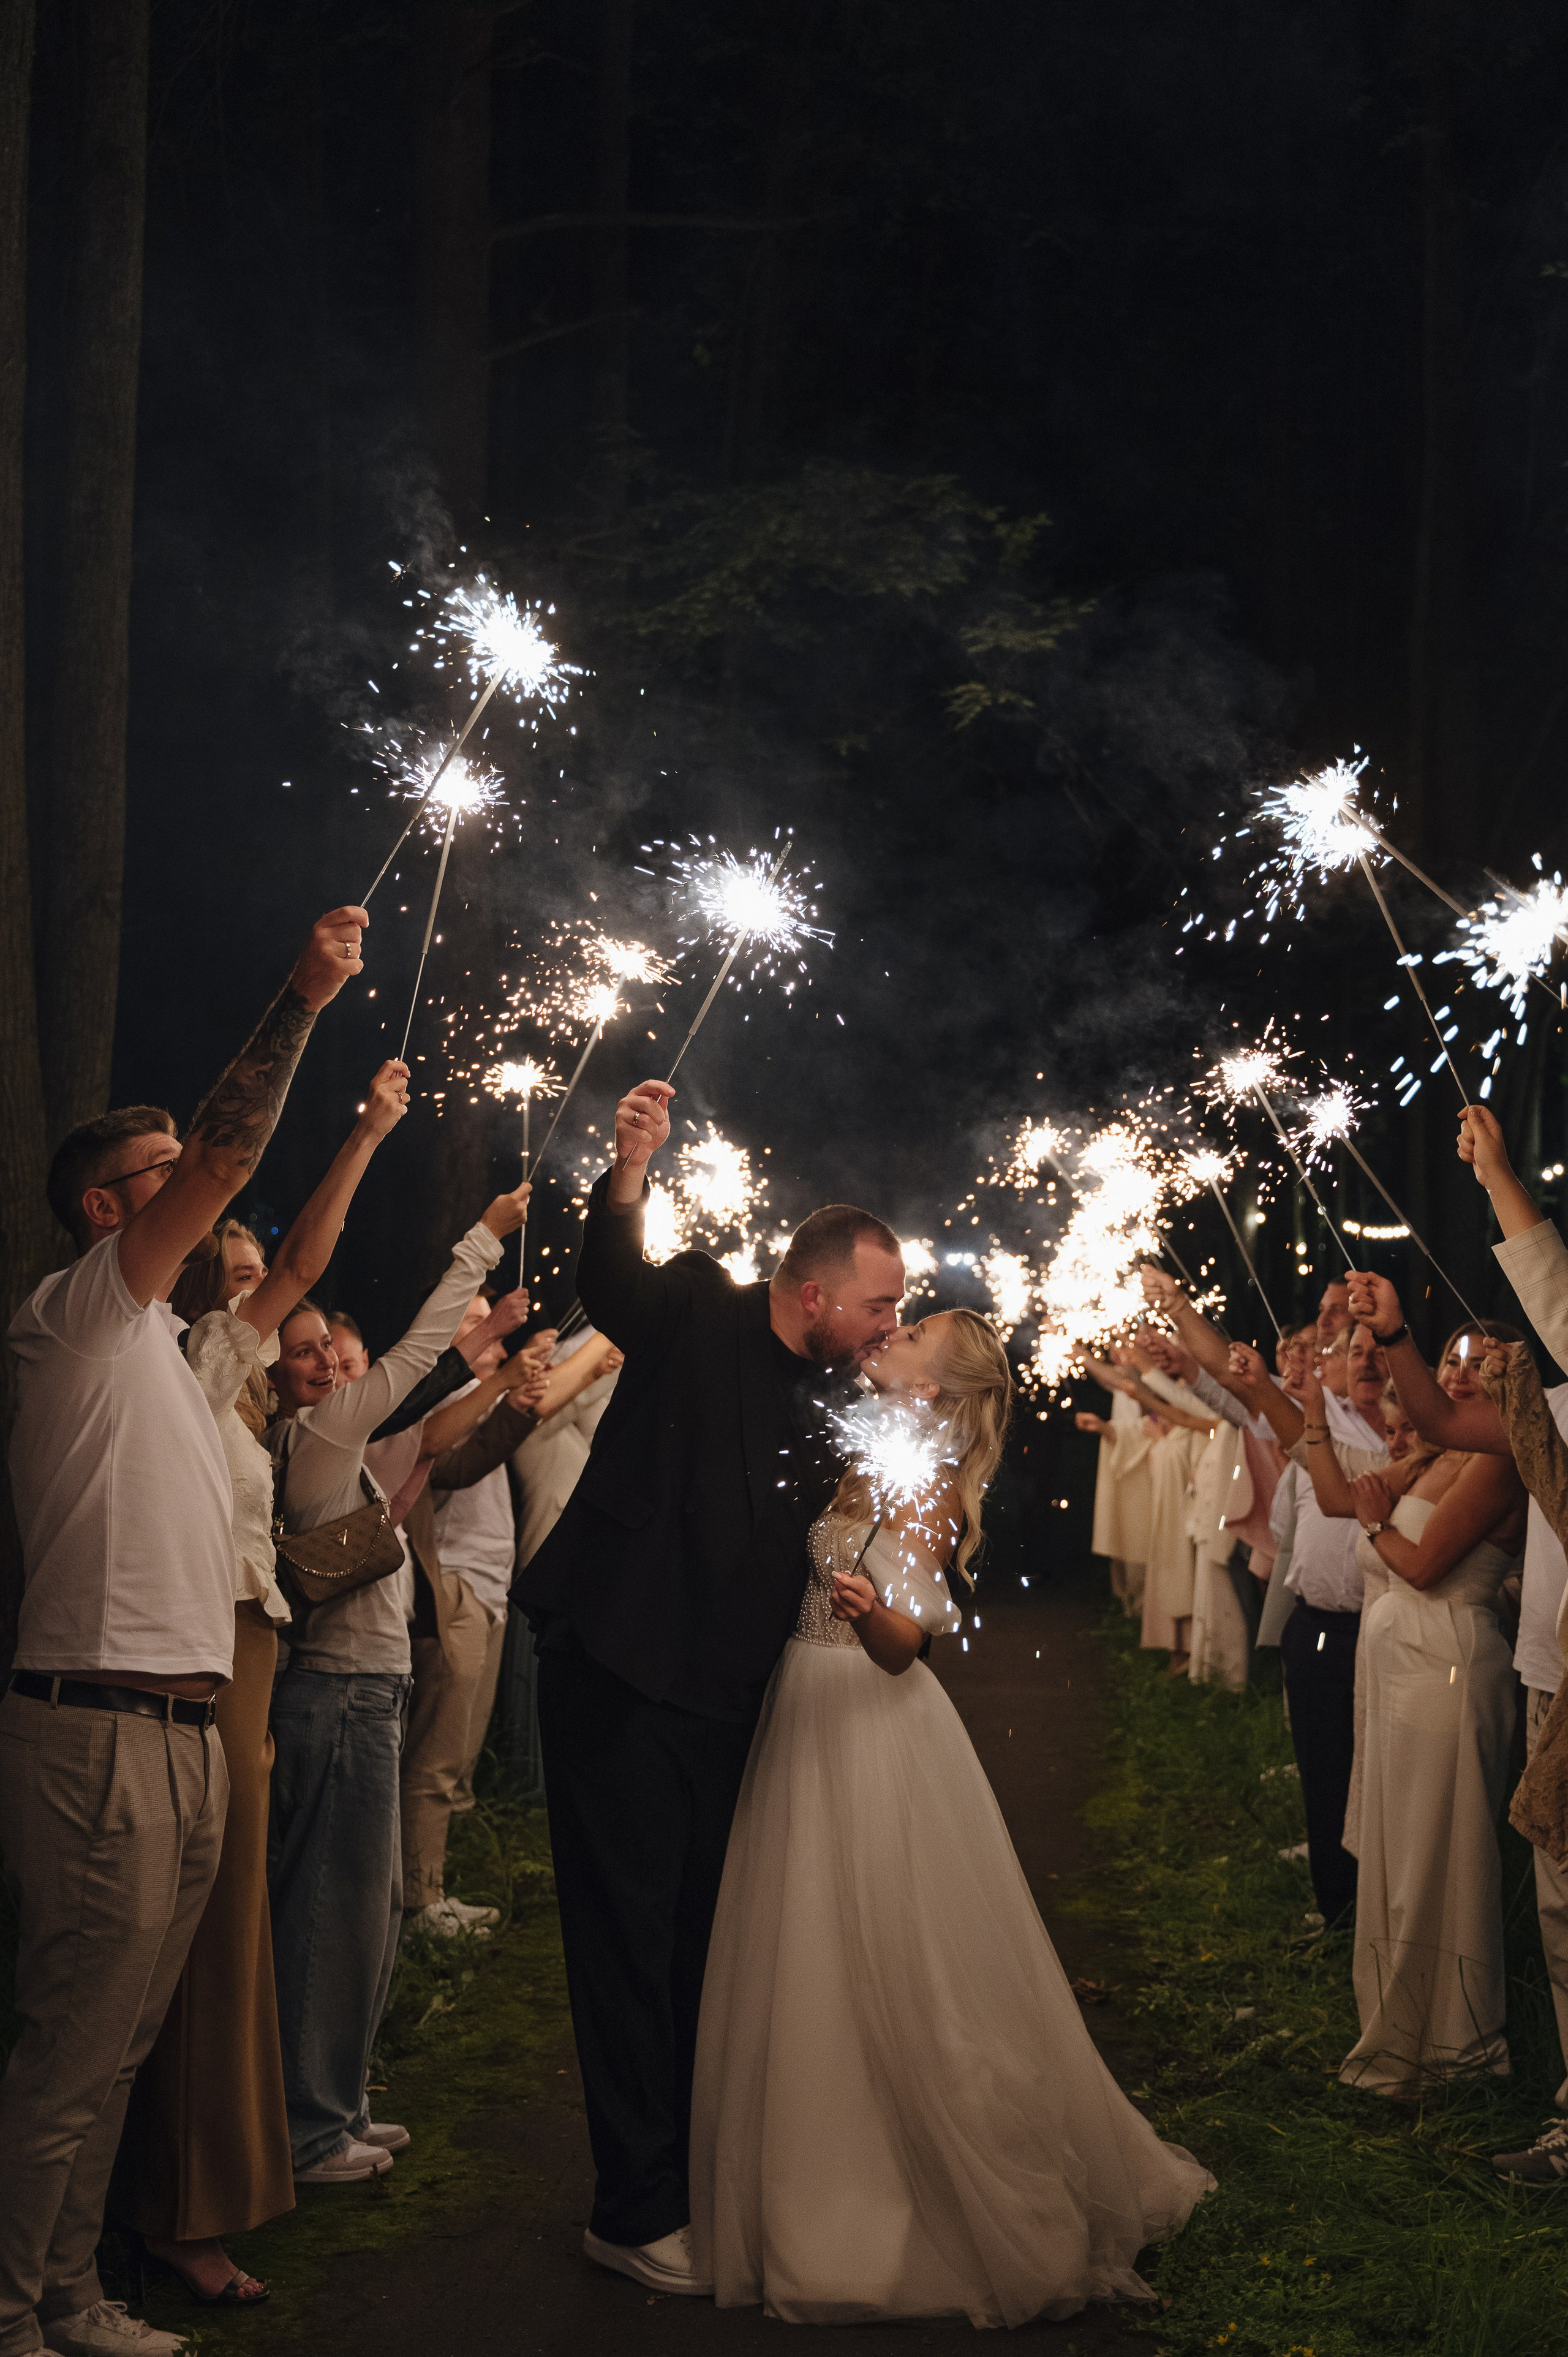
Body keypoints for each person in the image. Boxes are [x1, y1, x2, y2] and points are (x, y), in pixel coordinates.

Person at [0, 903, 368, 2357]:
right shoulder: (77, 1315)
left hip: (185, 1724)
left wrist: (363, 1142)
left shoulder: (174, 1344)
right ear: (110, 1211)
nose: (205, 1200)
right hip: (93, 1725)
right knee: (70, 2050)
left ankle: (76, 2292)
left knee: (130, 2041)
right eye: (162, 1184)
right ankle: (13, 2307)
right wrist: (304, 995)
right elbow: (224, 1152)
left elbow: (261, 1240)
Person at [690, 1308, 1212, 2324]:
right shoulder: (866, 1450)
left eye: (914, 1330)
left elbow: (908, 1643)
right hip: (805, 1706)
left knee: (893, 1947)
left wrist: (862, 1607)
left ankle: (906, 2188)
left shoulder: (924, 1481)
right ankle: (819, 2168)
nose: (894, 1330)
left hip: (866, 1710)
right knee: (807, 1941)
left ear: (933, 1388)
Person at [514, 1078, 905, 2297]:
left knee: (697, 1941)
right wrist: (628, 1166)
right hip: (617, 1670)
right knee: (625, 1942)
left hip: (725, 1704)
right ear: (813, 1290)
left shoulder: (836, 1397)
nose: (890, 1321)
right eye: (878, 1302)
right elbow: (609, 1286)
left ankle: (688, 2174)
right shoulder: (690, 1305)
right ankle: (628, 2209)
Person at [112, 1058, 410, 2307]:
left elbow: (303, 1261)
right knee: (209, 1938)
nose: (269, 1297)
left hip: (245, 1659)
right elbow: (287, 1259)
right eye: (238, 1277)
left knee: (230, 1936)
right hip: (190, 1660)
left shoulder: (219, 1393)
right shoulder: (161, 1363)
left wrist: (372, 1131)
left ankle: (211, 2190)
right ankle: (163, 2210)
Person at [265, 1180, 530, 2186]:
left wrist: (508, 1382)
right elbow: (421, 1358)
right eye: (306, 1349)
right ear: (278, 1371)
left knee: (367, 1910)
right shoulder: (325, 1431)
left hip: (365, 1692)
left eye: (331, 1343)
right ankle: (309, 2126)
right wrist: (484, 1242)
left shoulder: (343, 1442)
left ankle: (342, 2101)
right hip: (337, 1697)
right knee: (332, 1912)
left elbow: (431, 1430)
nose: (329, 1358)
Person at [1287, 1295, 1526, 2092]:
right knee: (1396, 1847)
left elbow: (1422, 1565)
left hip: (1450, 1663)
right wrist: (1315, 1418)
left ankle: (1458, 2045)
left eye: (1479, 1362)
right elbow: (1333, 1494)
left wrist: (1377, 1528)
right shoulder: (1430, 1456)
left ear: (1513, 1377)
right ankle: (1400, 2027)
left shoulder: (1500, 1462)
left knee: (1439, 1856)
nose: (1460, 1375)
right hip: (1401, 1671)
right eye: (1452, 1360)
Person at [1226, 1322, 1391, 1932]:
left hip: (1381, 1632)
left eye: (1378, 1353)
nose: (1367, 1362)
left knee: (1373, 1781)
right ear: (1339, 1365)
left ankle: (1377, 1913)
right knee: (1322, 1775)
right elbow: (1250, 1399)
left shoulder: (1407, 1442)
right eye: (1355, 1351)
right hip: (1316, 1626)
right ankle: (1337, 1911)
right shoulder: (1324, 1431)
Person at [500, 1326, 624, 1805]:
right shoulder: (538, 1431)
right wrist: (602, 1348)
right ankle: (521, 1804)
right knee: (531, 1721)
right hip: (542, 1590)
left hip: (584, 1596)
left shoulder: (585, 1446)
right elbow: (555, 1396)